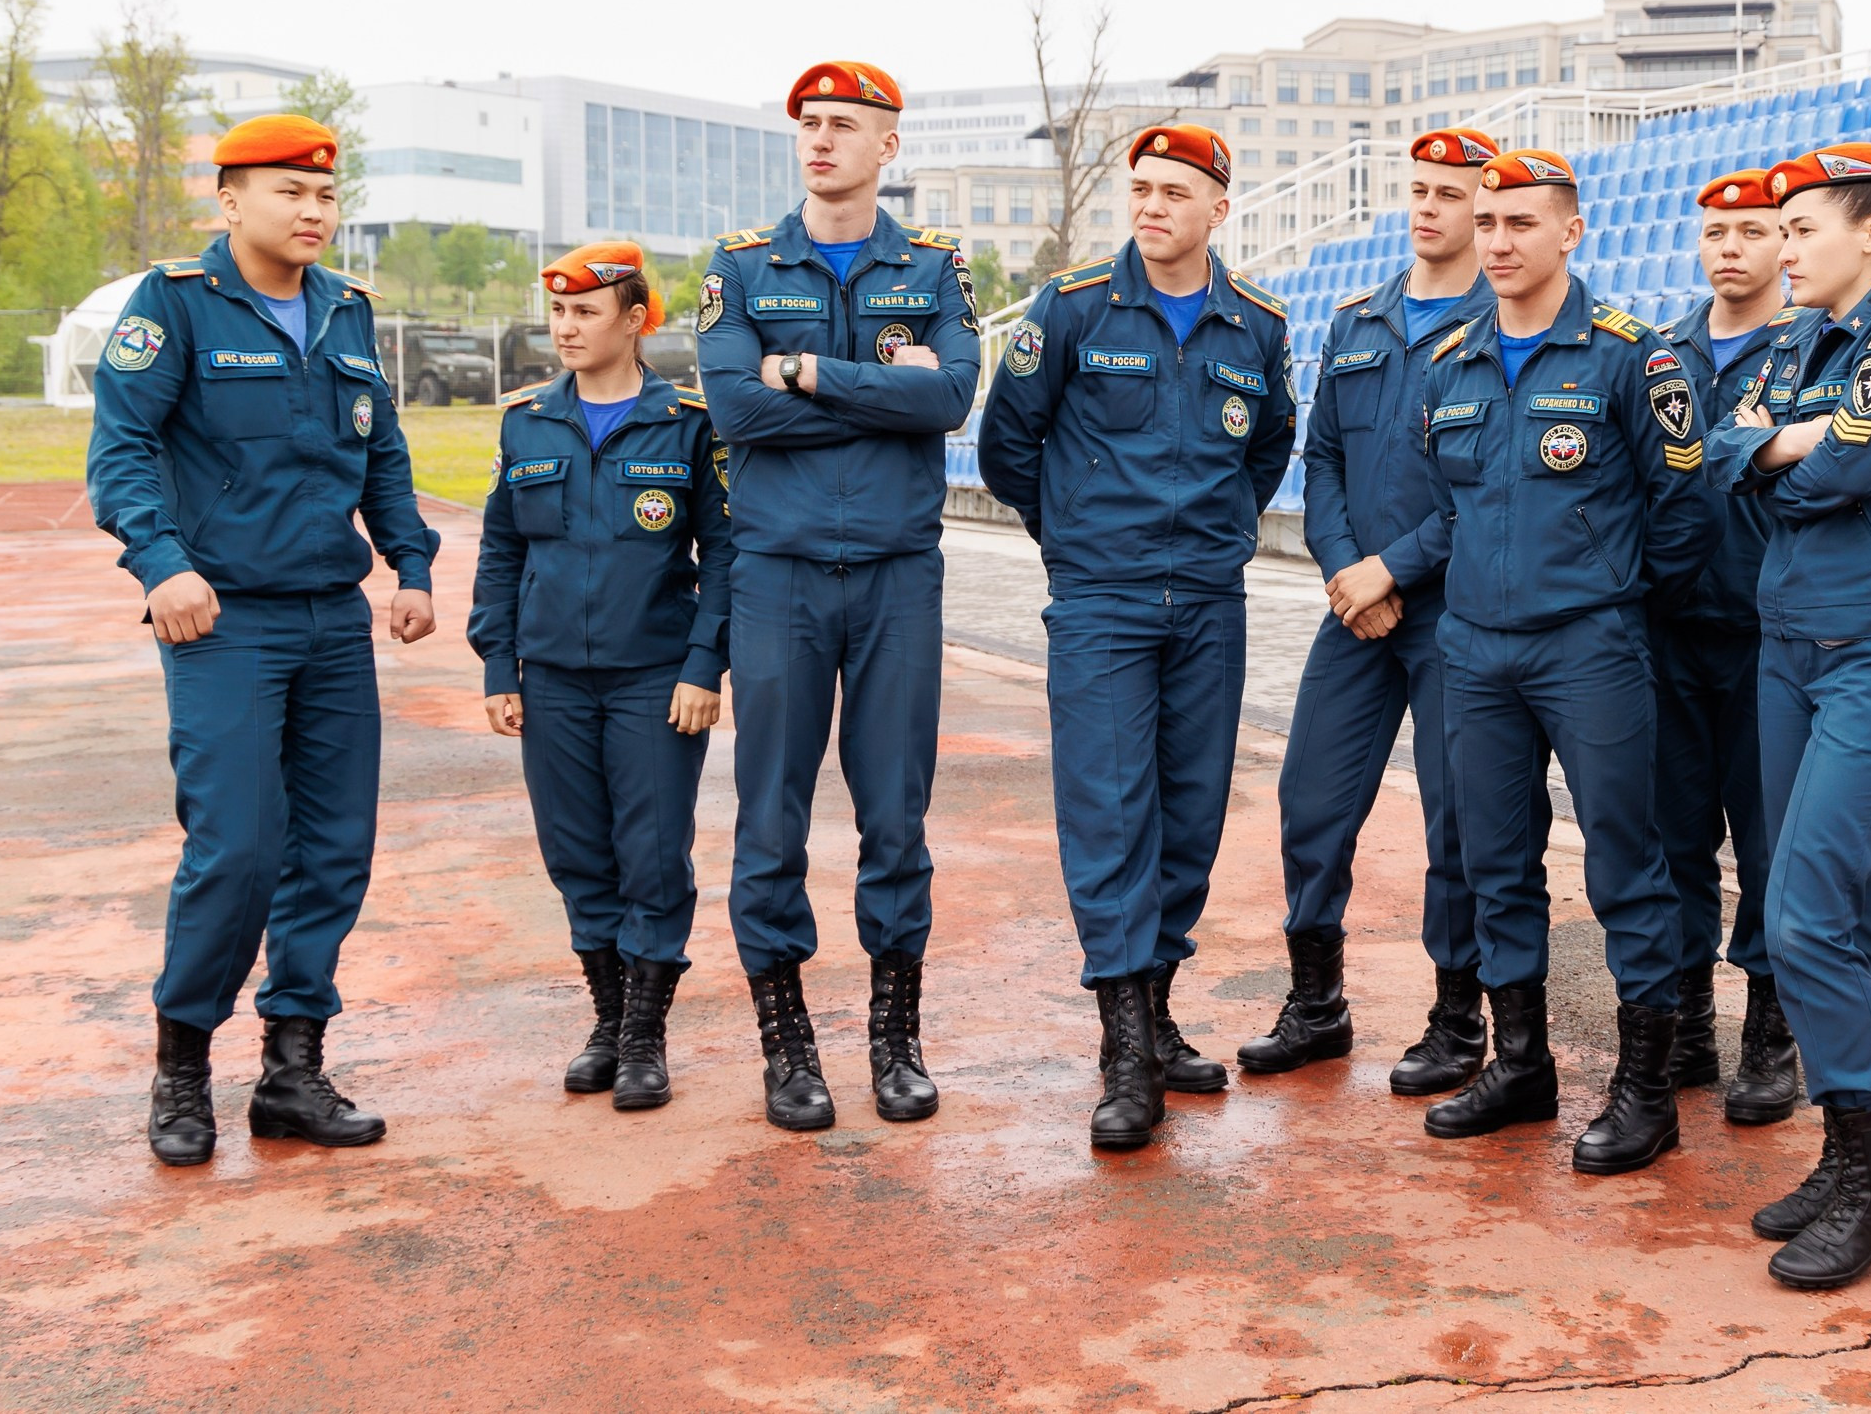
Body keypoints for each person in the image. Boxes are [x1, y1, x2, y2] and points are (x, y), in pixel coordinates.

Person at [88, 114, 439, 1166]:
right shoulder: (176, 307)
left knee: (333, 849)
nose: (313, 212)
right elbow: (122, 446)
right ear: (229, 200)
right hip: (223, 619)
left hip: (333, 620)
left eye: (326, 196)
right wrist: (161, 564)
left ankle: (292, 1069)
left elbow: (382, 449)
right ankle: (183, 1066)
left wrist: (409, 562)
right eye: (289, 192)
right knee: (237, 846)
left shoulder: (345, 311)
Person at [977, 123, 1297, 1149]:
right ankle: (1121, 1049)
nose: (1151, 206)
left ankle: (1157, 1013)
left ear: (1217, 208)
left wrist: (1218, 535)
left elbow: (1269, 446)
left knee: (1191, 810)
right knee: (1111, 809)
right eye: (1141, 189)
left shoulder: (1255, 327)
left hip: (1208, 597)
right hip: (1102, 598)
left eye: (1174, 192)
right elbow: (1007, 445)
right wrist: (1074, 537)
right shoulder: (1071, 308)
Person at [1415, 148, 1716, 1175]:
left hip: (1591, 643)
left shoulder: (1633, 357)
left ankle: (1644, 1088)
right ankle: (1521, 1061)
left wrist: (1614, 593)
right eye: (1486, 222)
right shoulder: (1449, 357)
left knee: (1627, 862)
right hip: (1474, 649)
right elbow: (1443, 498)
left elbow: (1684, 507)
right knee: (1493, 861)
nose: (1497, 242)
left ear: (1570, 233)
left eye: (1519, 224)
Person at [1707, 142, 1871, 1289]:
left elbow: (1834, 477)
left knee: (1802, 898)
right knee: (1838, 900)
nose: (1782, 248)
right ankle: (1840, 1149)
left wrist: (1789, 449)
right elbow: (1715, 453)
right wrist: (1787, 444)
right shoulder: (1798, 338)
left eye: (1802, 228)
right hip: (1788, 639)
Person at [699, 61, 981, 1132]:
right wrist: (882, 393)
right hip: (776, 577)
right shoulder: (739, 267)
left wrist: (808, 373)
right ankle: (788, 1043)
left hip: (899, 577)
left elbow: (951, 397)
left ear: (886, 146)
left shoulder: (937, 268)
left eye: (843, 125)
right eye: (808, 125)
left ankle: (893, 1037)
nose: (820, 141)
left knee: (896, 816)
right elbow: (733, 409)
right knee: (769, 816)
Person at [1239, 128, 1550, 1093]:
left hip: (1458, 613)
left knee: (1461, 822)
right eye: (1417, 190)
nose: (1429, 208)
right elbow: (1322, 457)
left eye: (1451, 195)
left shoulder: (1501, 329)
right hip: (1357, 611)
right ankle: (1318, 1002)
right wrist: (1346, 570)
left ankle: (1458, 1021)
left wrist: (1393, 572)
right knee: (1311, 802)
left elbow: (1492, 487)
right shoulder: (1358, 321)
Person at [469, 243, 731, 1113]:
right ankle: (610, 1021)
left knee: (652, 854)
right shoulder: (527, 421)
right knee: (575, 852)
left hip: (653, 675)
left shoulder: (689, 422)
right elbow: (502, 547)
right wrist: (496, 664)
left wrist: (704, 664)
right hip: (549, 676)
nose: (567, 328)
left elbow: (724, 555)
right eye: (558, 313)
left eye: (585, 312)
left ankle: (647, 1036)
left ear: (634, 319)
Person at [1650, 169, 1802, 1126]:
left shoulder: (1814, 352)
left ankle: (1769, 1031)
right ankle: (1688, 1022)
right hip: (1667, 627)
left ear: (1787, 243)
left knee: (1770, 841)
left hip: (1767, 631)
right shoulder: (1660, 353)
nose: (1732, 249)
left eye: (1753, 231)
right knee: (1675, 841)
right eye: (1717, 234)